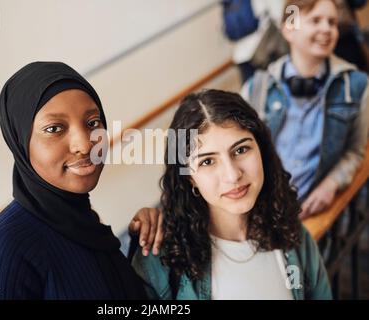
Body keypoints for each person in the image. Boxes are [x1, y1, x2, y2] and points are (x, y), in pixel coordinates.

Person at [0, 61, 156, 299]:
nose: (84, 144)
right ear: (20, 141)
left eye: (92, 123)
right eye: (54, 129)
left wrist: (141, 242)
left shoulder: (88, 227)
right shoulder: (0, 251)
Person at [132, 89, 332, 300]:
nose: (232, 175)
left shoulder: (292, 233)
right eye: (207, 161)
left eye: (241, 150)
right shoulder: (160, 262)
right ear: (189, 177)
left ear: (261, 150)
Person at [241, 0, 369, 218]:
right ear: (289, 29)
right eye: (315, 20)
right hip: (262, 215)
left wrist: (332, 183)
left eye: (332, 22)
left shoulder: (357, 85)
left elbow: (355, 151)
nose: (327, 29)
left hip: (314, 219)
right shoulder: (256, 89)